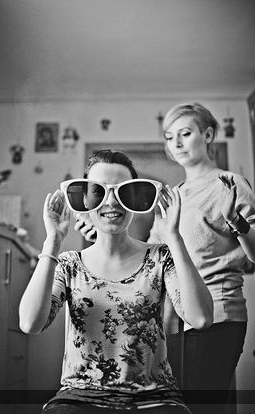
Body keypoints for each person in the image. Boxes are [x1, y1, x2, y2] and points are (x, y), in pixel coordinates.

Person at [73, 103, 255, 413]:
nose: (176, 143)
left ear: (208, 135)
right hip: (171, 318)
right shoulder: (173, 195)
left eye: (185, 133)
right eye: (170, 137)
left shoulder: (230, 184)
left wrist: (236, 221)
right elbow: (150, 258)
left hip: (218, 315)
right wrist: (102, 235)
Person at [19, 150, 213, 413]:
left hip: (154, 399)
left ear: (135, 199)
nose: (111, 202)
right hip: (79, 398)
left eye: (123, 191)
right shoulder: (69, 264)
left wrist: (174, 237)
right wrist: (52, 242)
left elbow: (201, 318)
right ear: (85, 200)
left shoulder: (160, 257)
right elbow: (30, 323)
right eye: (99, 191)